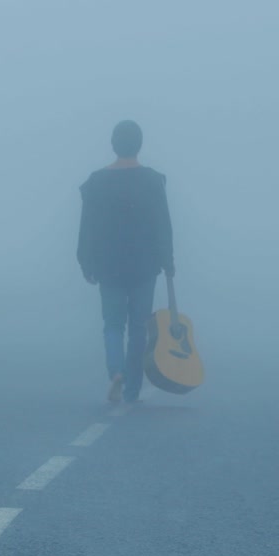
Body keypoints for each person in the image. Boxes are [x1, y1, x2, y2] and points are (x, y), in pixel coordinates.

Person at [77, 120, 175, 404]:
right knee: (138, 328)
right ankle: (132, 389)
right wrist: (168, 262)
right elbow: (163, 226)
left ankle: (116, 372)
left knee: (112, 324)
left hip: (108, 265)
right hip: (145, 265)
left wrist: (85, 262)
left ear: (113, 145)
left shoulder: (95, 182)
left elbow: (87, 228)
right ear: (140, 144)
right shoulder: (154, 180)